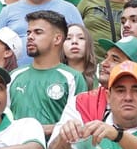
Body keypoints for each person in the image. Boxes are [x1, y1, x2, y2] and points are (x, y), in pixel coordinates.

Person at [47, 61, 137, 149]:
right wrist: (63, 140)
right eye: (120, 90)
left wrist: (118, 135)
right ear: (107, 96)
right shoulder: (91, 126)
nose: (128, 97)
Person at [9, 10, 87, 139]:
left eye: (38, 32)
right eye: (29, 32)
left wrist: (35, 130)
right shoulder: (14, 76)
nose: (30, 37)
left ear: (57, 39)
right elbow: (4, 120)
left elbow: (77, 125)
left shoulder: (72, 78)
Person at [62, 24, 98, 90]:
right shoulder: (54, 75)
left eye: (81, 38)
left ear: (89, 44)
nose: (74, 41)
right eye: (68, 38)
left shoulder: (99, 76)